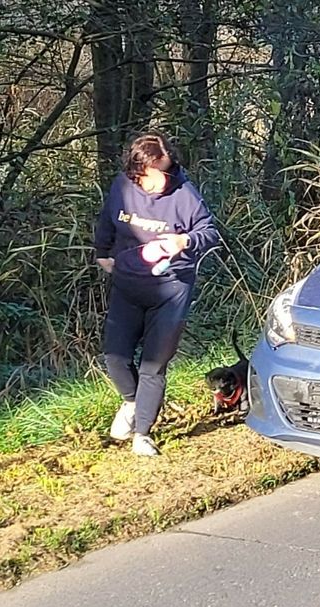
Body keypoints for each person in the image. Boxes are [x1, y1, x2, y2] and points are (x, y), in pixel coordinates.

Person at [94, 132, 219, 456]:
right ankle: (132, 403)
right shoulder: (121, 187)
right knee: (115, 358)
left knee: (153, 365)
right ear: (137, 171)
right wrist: (102, 252)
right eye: (155, 175)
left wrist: (184, 242)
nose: (162, 181)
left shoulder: (184, 193)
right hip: (127, 284)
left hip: (172, 288)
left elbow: (209, 232)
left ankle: (143, 435)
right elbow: (107, 221)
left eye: (166, 172)